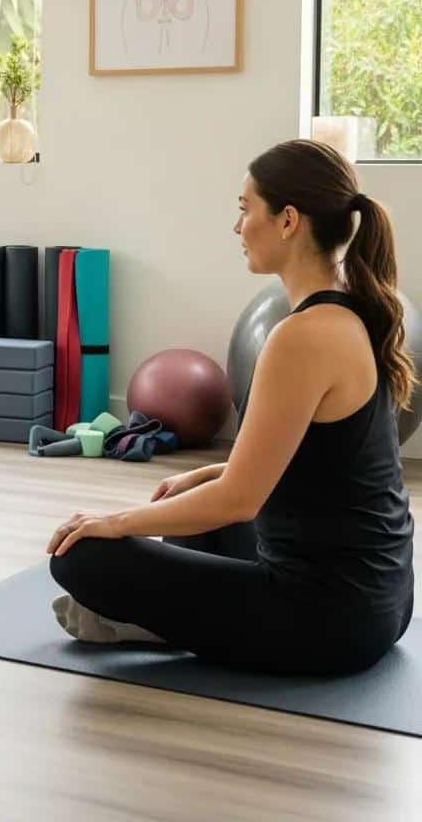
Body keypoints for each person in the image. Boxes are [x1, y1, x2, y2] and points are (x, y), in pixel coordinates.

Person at [47, 140, 415, 675]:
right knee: (196, 512)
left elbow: (240, 501)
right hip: (383, 603)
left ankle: (158, 624)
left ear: (288, 220)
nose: (237, 227)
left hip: (329, 622)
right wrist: (211, 470)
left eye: (245, 210)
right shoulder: (353, 311)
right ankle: (181, 619)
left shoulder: (303, 337)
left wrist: (116, 521)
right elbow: (330, 457)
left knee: (79, 556)